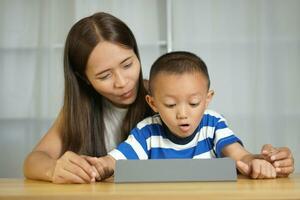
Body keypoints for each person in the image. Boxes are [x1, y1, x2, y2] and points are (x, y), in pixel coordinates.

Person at [23, 12, 294, 184]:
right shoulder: (81, 111)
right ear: (84, 78)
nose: (122, 82)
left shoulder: (170, 94)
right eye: (105, 75)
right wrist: (55, 169)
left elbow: (229, 153)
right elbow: (35, 160)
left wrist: (265, 161)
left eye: (128, 64)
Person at [88, 51, 294, 180]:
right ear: (153, 103)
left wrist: (259, 163)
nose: (183, 114)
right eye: (170, 104)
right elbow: (114, 160)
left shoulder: (213, 124)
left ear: (207, 99)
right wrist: (99, 166)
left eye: (194, 103)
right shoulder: (147, 132)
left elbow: (240, 156)